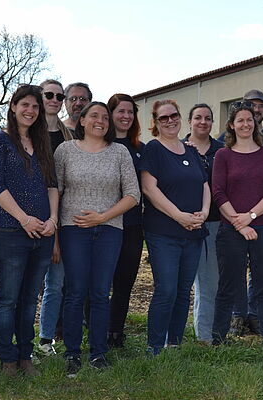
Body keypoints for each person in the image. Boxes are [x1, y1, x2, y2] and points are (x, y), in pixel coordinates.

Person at [55, 101, 139, 377]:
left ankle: (98, 352)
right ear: (81, 121)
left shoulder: (120, 152)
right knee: (76, 291)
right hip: (73, 229)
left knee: (101, 292)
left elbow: (132, 195)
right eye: (94, 116)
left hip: (109, 230)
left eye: (105, 117)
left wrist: (102, 217)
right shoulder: (65, 150)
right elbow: (56, 192)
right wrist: (55, 233)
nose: (100, 121)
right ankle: (72, 352)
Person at [0, 84, 58, 377]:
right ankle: (8, 359)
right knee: (7, 298)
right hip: (9, 232)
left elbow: (52, 184)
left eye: (35, 107)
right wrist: (24, 219)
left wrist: (52, 219)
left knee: (30, 299)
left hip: (43, 233)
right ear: (13, 106)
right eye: (24, 104)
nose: (30, 111)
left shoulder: (42, 146)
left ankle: (26, 355)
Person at [140, 100, 210, 355]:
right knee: (166, 289)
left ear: (180, 118)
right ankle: (155, 346)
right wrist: (179, 216)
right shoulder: (153, 149)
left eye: (174, 116)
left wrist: (203, 212)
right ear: (155, 123)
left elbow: (204, 184)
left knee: (183, 290)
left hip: (193, 232)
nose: (170, 121)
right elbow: (149, 188)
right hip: (164, 233)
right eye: (163, 118)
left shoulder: (191, 150)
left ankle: (174, 343)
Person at [211, 101, 263, 344]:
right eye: (240, 120)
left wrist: (250, 217)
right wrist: (239, 224)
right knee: (228, 285)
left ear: (255, 123)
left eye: (249, 119)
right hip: (230, 229)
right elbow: (218, 193)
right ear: (231, 125)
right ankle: (218, 339)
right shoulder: (223, 155)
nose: (245, 124)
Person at [37, 79, 74, 356]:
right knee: (23, 287)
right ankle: (19, 343)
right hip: (25, 217)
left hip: (60, 219)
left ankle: (45, 339)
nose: (54, 99)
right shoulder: (26, 133)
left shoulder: (69, 137)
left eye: (59, 96)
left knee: (56, 284)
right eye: (48, 94)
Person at [106, 94, 146, 348]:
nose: (126, 116)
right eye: (121, 111)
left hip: (132, 225)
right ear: (110, 114)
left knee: (124, 282)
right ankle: (97, 329)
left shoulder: (141, 149)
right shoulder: (100, 145)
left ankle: (116, 333)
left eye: (130, 112)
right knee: (98, 284)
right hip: (103, 224)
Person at [183, 104, 224, 344]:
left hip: (215, 222)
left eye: (208, 118)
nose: (203, 122)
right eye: (198, 117)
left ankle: (205, 336)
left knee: (210, 282)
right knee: (179, 284)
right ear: (190, 121)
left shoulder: (221, 151)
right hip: (182, 222)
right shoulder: (177, 148)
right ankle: (171, 337)